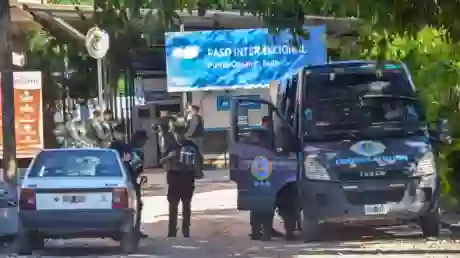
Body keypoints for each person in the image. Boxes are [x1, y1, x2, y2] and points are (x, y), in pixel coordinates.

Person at [160, 125, 199, 238]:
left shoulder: (191, 145)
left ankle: (186, 230)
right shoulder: (170, 146)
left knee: (186, 205)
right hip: (173, 179)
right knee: (173, 206)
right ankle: (172, 231)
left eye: (181, 134)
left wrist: (196, 171)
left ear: (185, 133)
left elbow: (198, 161)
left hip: (187, 178)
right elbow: (161, 161)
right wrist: (169, 157)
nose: (179, 137)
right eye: (177, 134)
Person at [109, 125, 148, 238]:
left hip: (129, 179)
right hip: (127, 180)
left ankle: (134, 229)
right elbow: (134, 165)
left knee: (134, 206)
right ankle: (132, 230)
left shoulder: (126, 147)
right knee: (132, 206)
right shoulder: (127, 148)